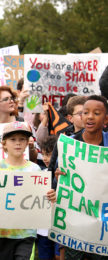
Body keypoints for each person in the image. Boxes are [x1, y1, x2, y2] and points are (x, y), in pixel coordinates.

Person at [0, 121, 56, 260]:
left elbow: (42, 201)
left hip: (26, 234)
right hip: (0, 233)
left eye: (22, 139)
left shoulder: (35, 170)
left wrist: (50, 197)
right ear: (4, 143)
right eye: (13, 139)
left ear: (27, 143)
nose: (18, 143)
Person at [55, 95, 108, 260]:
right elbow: (57, 178)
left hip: (102, 227)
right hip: (74, 225)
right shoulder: (68, 145)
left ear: (106, 119)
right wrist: (59, 178)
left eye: (96, 113)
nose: (90, 116)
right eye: (85, 112)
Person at [37, 135, 61, 260]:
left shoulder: (64, 177)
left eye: (50, 154)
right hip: (43, 230)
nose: (45, 158)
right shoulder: (39, 175)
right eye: (43, 154)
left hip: (59, 227)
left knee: (59, 256)